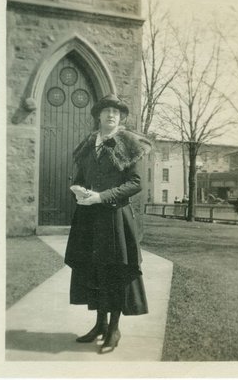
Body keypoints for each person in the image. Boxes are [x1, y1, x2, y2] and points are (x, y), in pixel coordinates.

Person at [64, 94, 151, 354]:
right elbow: (80, 178)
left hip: (114, 219)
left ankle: (114, 329)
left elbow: (136, 183)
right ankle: (99, 325)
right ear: (98, 116)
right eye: (106, 111)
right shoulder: (88, 146)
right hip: (89, 220)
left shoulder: (130, 145)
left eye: (116, 112)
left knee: (114, 273)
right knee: (94, 271)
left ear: (120, 117)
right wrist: (79, 191)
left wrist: (101, 197)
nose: (111, 115)